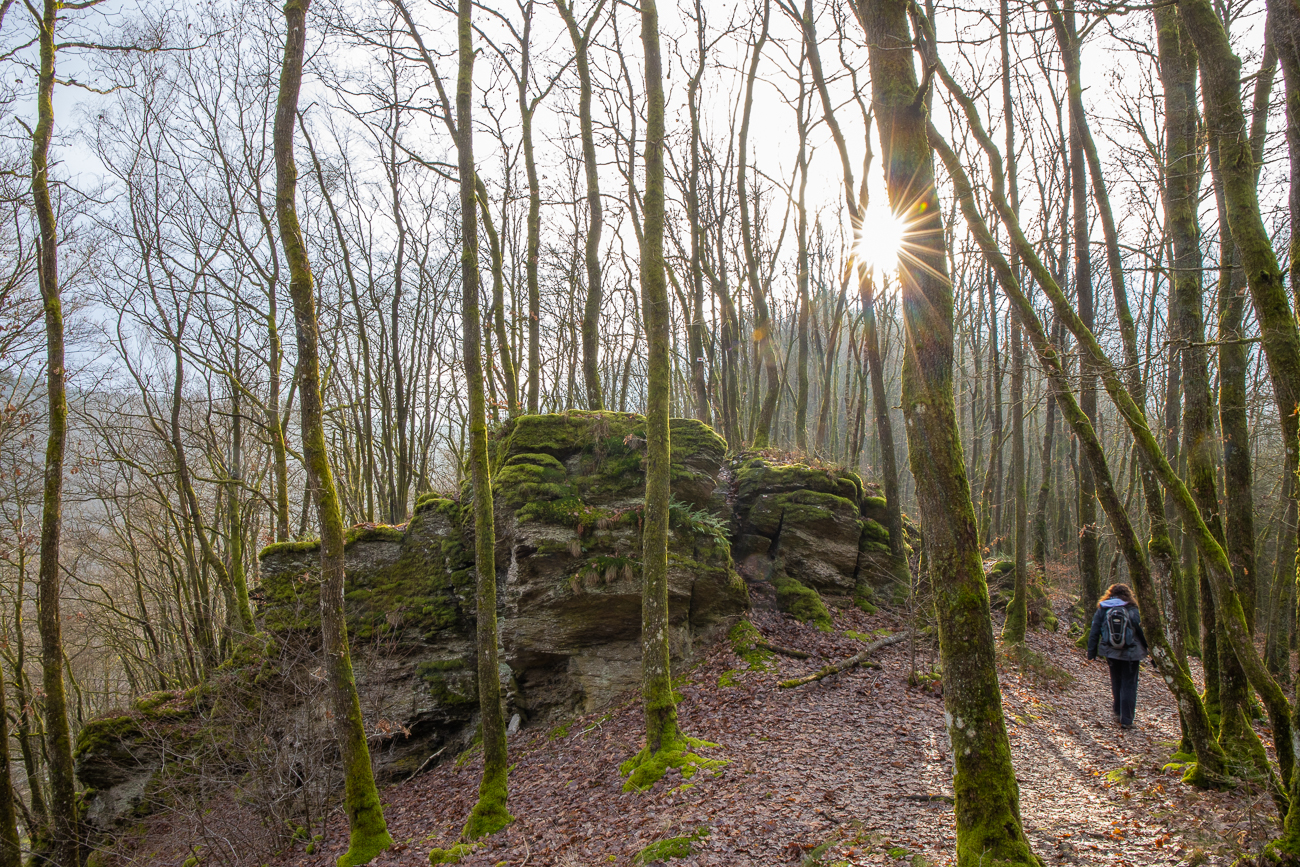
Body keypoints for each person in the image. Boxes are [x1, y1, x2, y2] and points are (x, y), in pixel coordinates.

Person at [1085, 583, 1148, 729]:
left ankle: (1118, 710)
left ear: (1110, 593)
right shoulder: (1132, 609)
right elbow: (1141, 631)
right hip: (1132, 653)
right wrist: (1149, 650)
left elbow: (1094, 630)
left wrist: (1091, 652)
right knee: (1129, 684)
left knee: (1116, 680)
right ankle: (1126, 719)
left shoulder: (1104, 608)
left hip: (1111, 651)